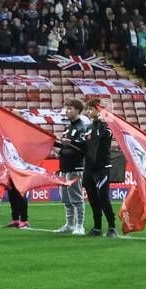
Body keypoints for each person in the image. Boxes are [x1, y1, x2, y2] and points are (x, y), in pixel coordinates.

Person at [83, 99, 117, 237]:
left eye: (90, 109)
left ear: (98, 110)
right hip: (89, 168)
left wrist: (103, 121)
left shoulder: (107, 127)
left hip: (102, 168)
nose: (88, 112)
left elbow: (105, 138)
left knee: (103, 198)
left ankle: (112, 227)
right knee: (92, 199)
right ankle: (97, 227)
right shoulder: (88, 127)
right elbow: (86, 147)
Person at [55, 98, 87, 234]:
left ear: (78, 110)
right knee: (66, 199)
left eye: (69, 108)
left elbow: (83, 149)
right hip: (64, 168)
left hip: (75, 168)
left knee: (76, 198)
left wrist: (68, 145)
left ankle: (80, 225)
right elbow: (65, 146)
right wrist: (55, 144)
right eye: (66, 108)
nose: (66, 111)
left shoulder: (82, 128)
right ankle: (69, 224)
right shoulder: (68, 128)